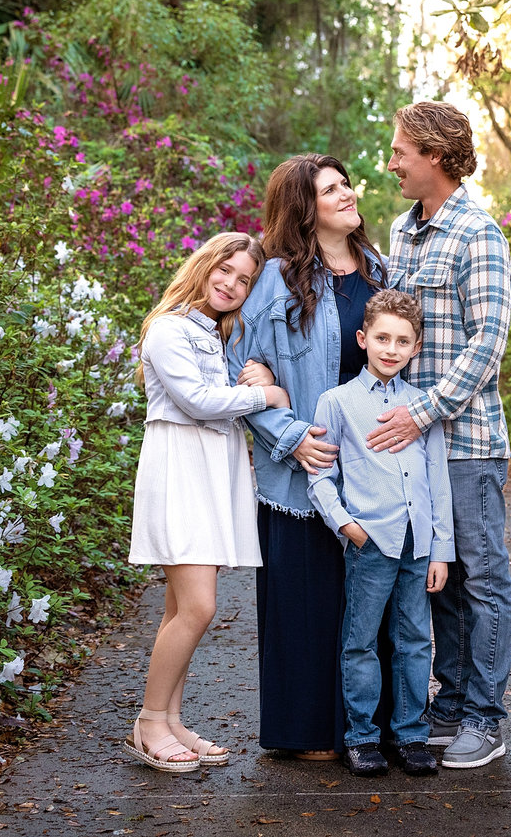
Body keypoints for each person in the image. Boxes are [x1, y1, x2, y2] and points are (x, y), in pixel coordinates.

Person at [367, 101, 511, 769]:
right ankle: (450, 703)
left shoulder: (477, 235)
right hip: (416, 447)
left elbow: (488, 344)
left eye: (400, 150)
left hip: (467, 443)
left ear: (433, 155)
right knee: (444, 579)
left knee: (483, 580)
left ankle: (485, 718)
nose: (390, 161)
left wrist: (422, 410)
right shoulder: (405, 232)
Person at [227, 154, 386, 759]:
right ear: (304, 207)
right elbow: (237, 375)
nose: (347, 194)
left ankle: (368, 727)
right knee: (306, 600)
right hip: (301, 469)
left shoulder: (379, 272)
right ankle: (309, 730)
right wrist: (291, 437)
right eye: (331, 189)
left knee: (368, 605)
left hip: (372, 468)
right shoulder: (272, 279)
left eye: (346, 184)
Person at [123, 232, 290, 773]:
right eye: (226, 271)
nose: (232, 285)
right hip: (180, 473)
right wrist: (265, 395)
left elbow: (226, 386)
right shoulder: (169, 329)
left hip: (210, 475)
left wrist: (259, 374)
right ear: (204, 265)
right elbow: (196, 402)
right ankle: (149, 722)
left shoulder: (218, 336)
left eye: (244, 280)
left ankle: (169, 718)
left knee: (180, 607)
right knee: (199, 607)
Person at [307, 290, 454, 778]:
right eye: (383, 338)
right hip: (370, 542)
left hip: (417, 543)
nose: (391, 349)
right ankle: (363, 736)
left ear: (416, 348)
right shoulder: (337, 403)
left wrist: (441, 550)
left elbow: (436, 482)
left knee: (414, 639)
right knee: (362, 641)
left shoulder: (421, 408)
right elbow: (320, 478)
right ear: (363, 339)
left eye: (403, 341)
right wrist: (348, 526)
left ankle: (412, 735)